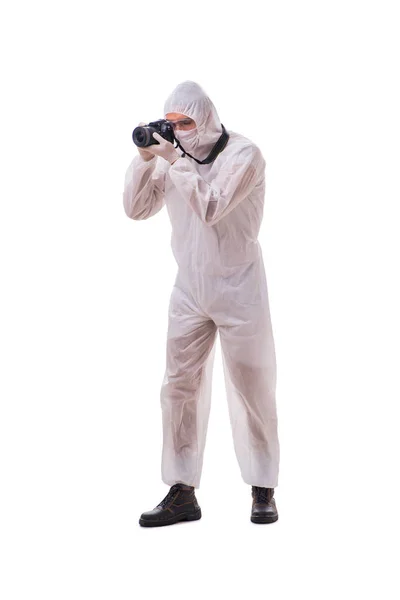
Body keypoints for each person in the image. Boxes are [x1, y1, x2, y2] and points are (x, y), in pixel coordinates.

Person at [123, 81, 280, 526]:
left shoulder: (244, 156)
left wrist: (174, 160)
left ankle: (263, 487)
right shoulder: (173, 158)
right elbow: (136, 210)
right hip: (189, 288)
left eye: (187, 123)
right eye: (171, 125)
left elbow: (212, 207)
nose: (180, 132)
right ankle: (181, 490)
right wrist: (145, 159)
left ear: (208, 118)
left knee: (252, 387)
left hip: (239, 287)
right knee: (178, 388)